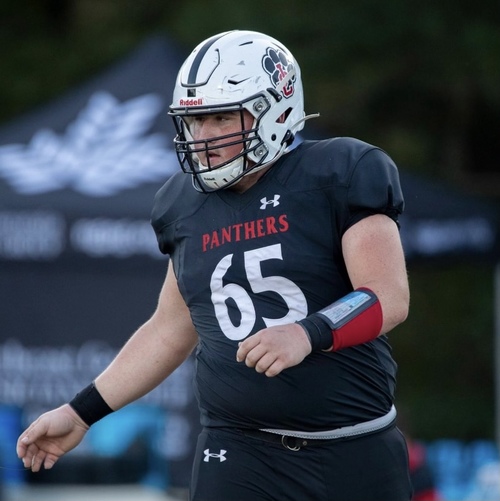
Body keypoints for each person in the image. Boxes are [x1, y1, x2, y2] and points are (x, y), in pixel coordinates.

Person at [17, 30, 412, 501]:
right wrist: (80, 413)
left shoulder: (340, 169)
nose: (203, 137)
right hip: (239, 451)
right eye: (194, 120)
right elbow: (169, 329)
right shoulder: (181, 204)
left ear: (276, 109)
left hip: (356, 446)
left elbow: (387, 296)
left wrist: (307, 333)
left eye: (221, 117)